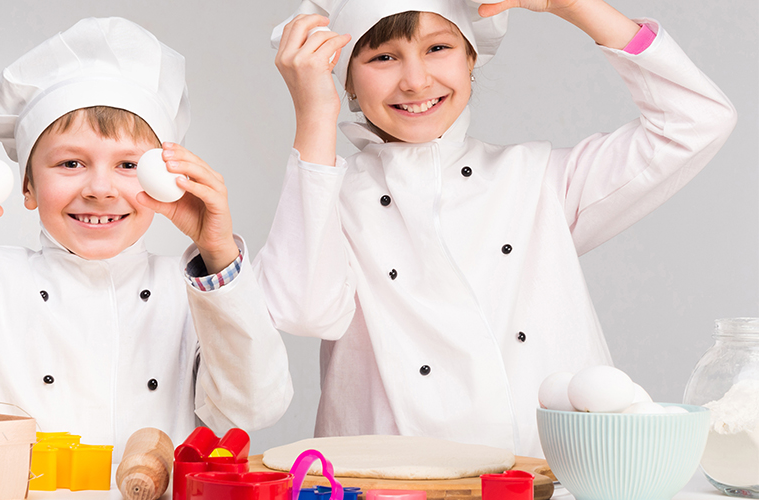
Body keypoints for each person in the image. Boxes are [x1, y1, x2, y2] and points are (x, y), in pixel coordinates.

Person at [256, 0, 736, 457]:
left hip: (550, 478)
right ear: (347, 81)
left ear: (471, 57)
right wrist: (314, 113)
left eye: (437, 48)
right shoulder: (324, 193)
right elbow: (303, 311)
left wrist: (574, 7)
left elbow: (697, 122)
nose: (416, 80)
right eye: (383, 57)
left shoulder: (537, 180)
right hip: (390, 484)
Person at [0, 17, 293, 455]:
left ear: (163, 179)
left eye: (129, 165)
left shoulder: (189, 294)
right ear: (28, 186)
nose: (100, 189)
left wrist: (218, 253)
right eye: (71, 163)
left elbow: (253, 406)